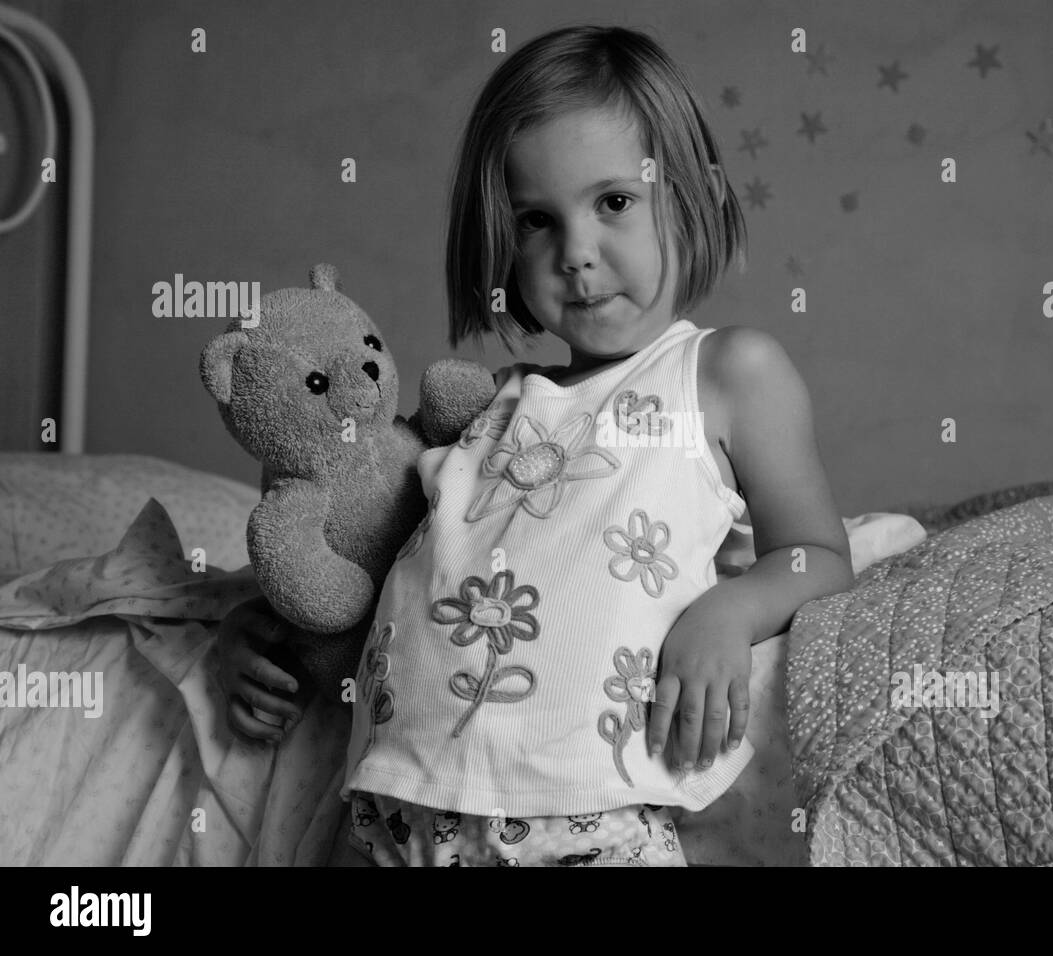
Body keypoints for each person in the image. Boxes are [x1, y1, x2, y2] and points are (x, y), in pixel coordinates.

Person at [218, 24, 853, 867]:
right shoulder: (494, 408)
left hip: (587, 824)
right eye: (536, 221)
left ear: (693, 194)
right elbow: (375, 566)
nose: (578, 255)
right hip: (393, 816)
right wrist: (253, 636)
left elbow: (816, 554)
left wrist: (727, 613)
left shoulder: (725, 373)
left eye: (615, 202)